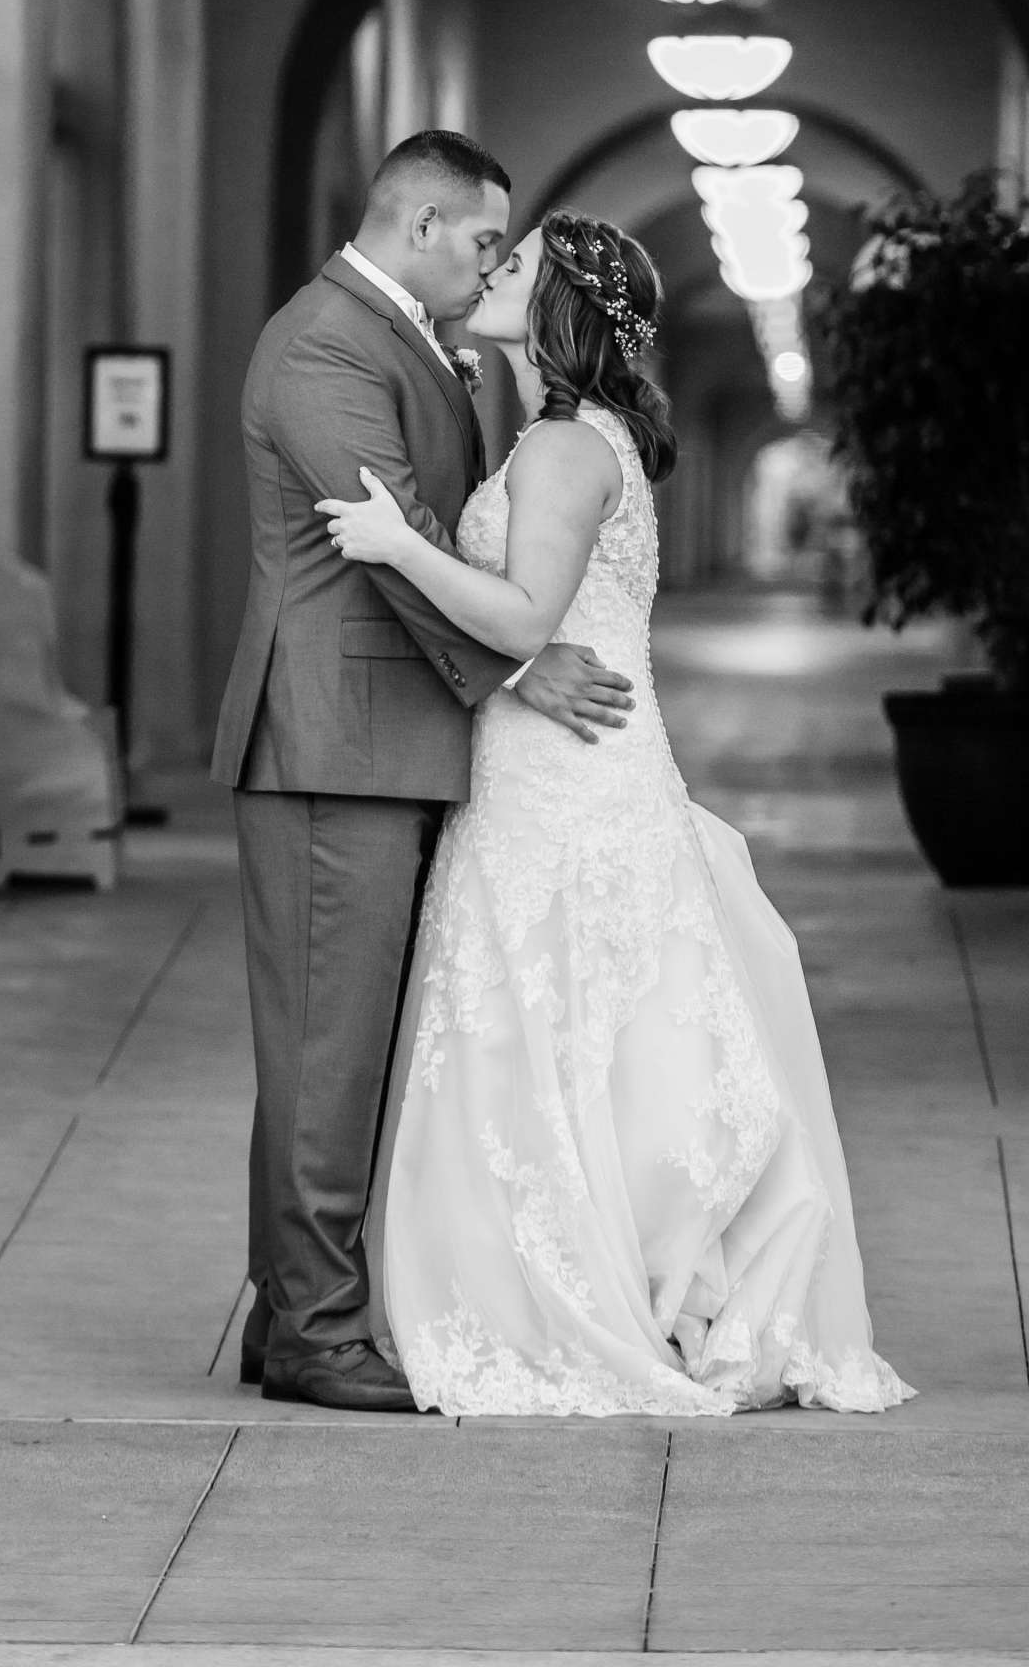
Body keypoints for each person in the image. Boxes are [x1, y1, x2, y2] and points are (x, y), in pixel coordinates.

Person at [318, 211, 914, 1415]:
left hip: (563, 771)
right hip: (577, 759)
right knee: (586, 1019)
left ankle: (574, 1290)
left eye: (517, 262)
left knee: (551, 1016)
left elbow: (526, 620)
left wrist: (395, 544)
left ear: (556, 311)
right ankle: (619, 1273)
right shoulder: (579, 436)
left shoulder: (559, 450)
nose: (492, 268)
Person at [211, 135, 636, 1412]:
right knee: (326, 1046)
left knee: (334, 1046)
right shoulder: (327, 343)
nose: (493, 260)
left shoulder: (405, 341)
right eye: (481, 238)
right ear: (424, 223)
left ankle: (289, 1306)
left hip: (383, 734)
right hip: (331, 735)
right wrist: (519, 665)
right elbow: (383, 544)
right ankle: (316, 1335)